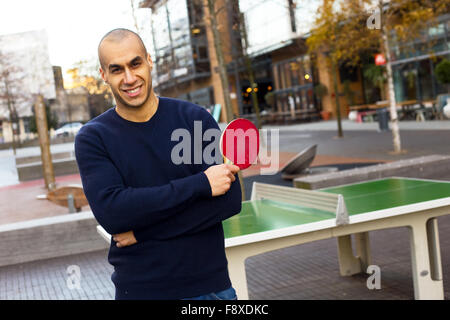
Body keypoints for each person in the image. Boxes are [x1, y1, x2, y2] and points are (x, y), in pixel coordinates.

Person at [74, 28, 242, 300]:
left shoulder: (194, 120)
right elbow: (113, 214)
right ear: (104, 75)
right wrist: (200, 184)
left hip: (209, 288)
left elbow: (229, 200)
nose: (129, 78)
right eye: (117, 70)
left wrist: (141, 230)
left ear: (149, 60)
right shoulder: (93, 138)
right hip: (141, 290)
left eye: (135, 63)